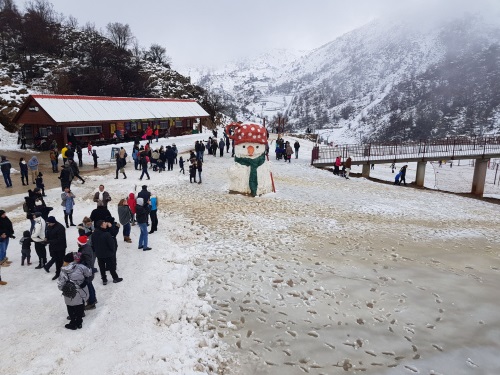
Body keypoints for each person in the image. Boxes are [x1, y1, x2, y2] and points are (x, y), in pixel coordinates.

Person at [57, 252, 91, 330]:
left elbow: (60, 284)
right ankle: (79, 323)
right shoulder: (81, 267)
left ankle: (73, 322)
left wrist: (63, 289)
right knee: (80, 305)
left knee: (70, 306)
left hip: (69, 292)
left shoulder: (63, 271)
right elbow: (89, 273)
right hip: (81, 290)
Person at [91, 220, 123, 285]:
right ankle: (115, 278)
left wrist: (96, 251)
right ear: (101, 225)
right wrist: (112, 251)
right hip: (108, 254)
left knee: (102, 267)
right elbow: (112, 244)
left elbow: (93, 244)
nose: (106, 224)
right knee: (111, 267)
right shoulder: (107, 234)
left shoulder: (94, 234)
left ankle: (104, 280)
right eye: (104, 223)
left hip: (99, 254)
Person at [76, 235, 97, 311]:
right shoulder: (86, 247)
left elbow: (86, 262)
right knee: (90, 285)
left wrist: (78, 264)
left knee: (89, 286)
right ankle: (93, 299)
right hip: (88, 271)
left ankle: (92, 303)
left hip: (87, 272)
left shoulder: (84, 251)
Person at [44, 216, 67, 280]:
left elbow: (60, 240)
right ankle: (58, 273)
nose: (48, 225)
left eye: (49, 223)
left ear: (53, 222)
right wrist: (46, 238)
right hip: (53, 247)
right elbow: (47, 233)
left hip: (60, 247)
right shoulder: (49, 226)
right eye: (47, 223)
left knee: (60, 261)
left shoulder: (60, 228)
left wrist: (48, 241)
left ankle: (62, 273)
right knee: (56, 260)